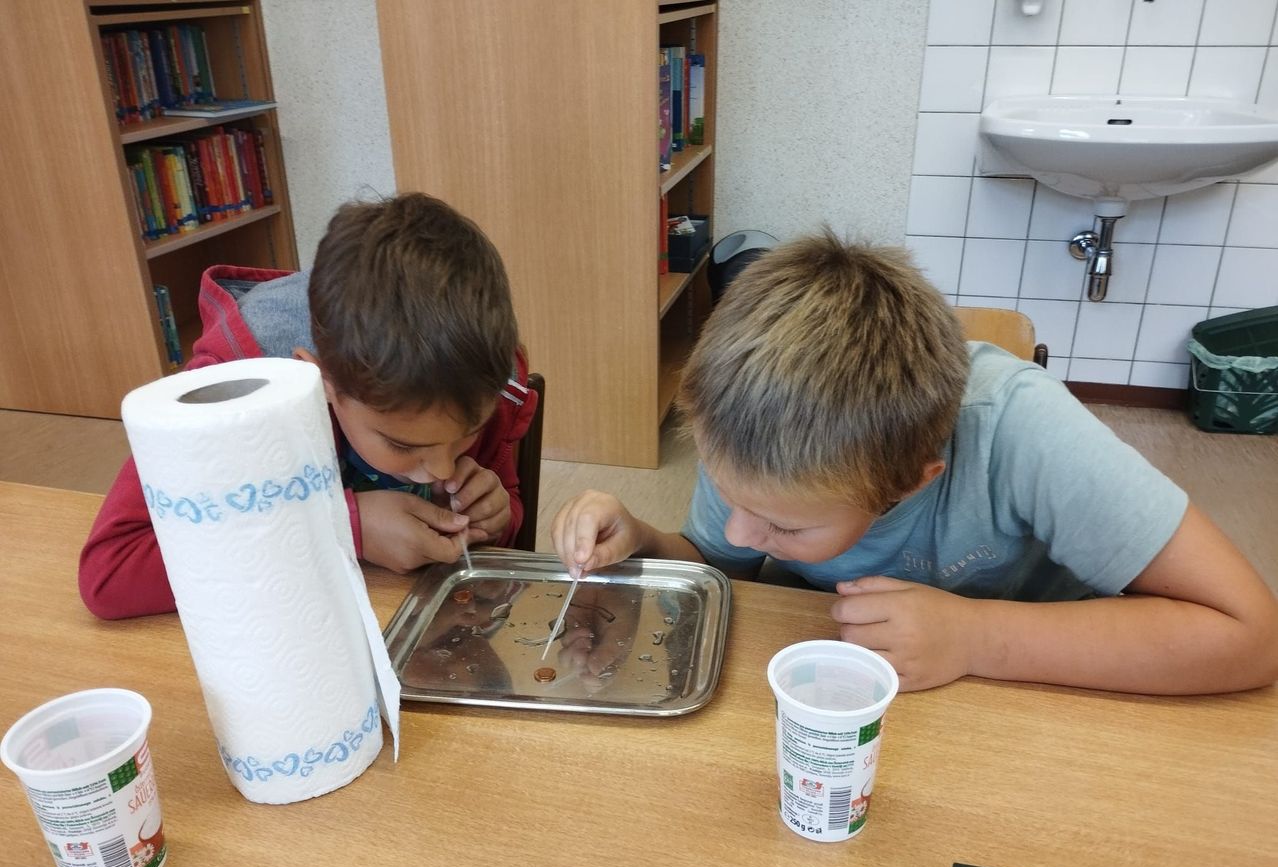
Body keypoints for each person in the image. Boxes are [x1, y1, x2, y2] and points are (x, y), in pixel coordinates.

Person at [550, 230, 1278, 695]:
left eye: (781, 525)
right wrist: (646, 543)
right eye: (724, 488)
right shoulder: (753, 438)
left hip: (1046, 687)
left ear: (908, 482)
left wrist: (977, 637)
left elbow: (1248, 633)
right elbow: (721, 564)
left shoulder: (1023, 430)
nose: (742, 530)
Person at [80, 192, 539, 619]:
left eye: (470, 432)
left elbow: (507, 526)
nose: (442, 468)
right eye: (402, 444)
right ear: (318, 380)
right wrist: (343, 529)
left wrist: (494, 516)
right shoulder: (234, 393)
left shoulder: (477, 378)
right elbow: (111, 572)